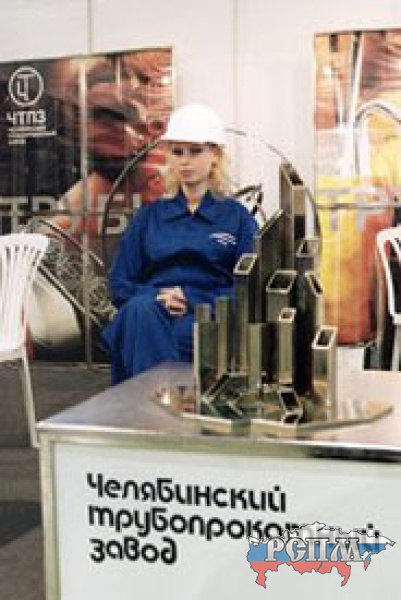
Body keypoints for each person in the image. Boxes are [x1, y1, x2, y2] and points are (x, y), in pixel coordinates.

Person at [102, 103, 258, 384]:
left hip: (207, 318)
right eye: (177, 152)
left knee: (134, 326)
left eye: (195, 151)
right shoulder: (149, 218)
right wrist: (159, 296)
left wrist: (190, 298)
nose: (185, 161)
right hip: (152, 312)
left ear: (215, 155)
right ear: (168, 157)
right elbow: (120, 284)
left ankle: (147, 402)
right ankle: (166, 401)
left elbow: (251, 291)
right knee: (140, 312)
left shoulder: (237, 218)